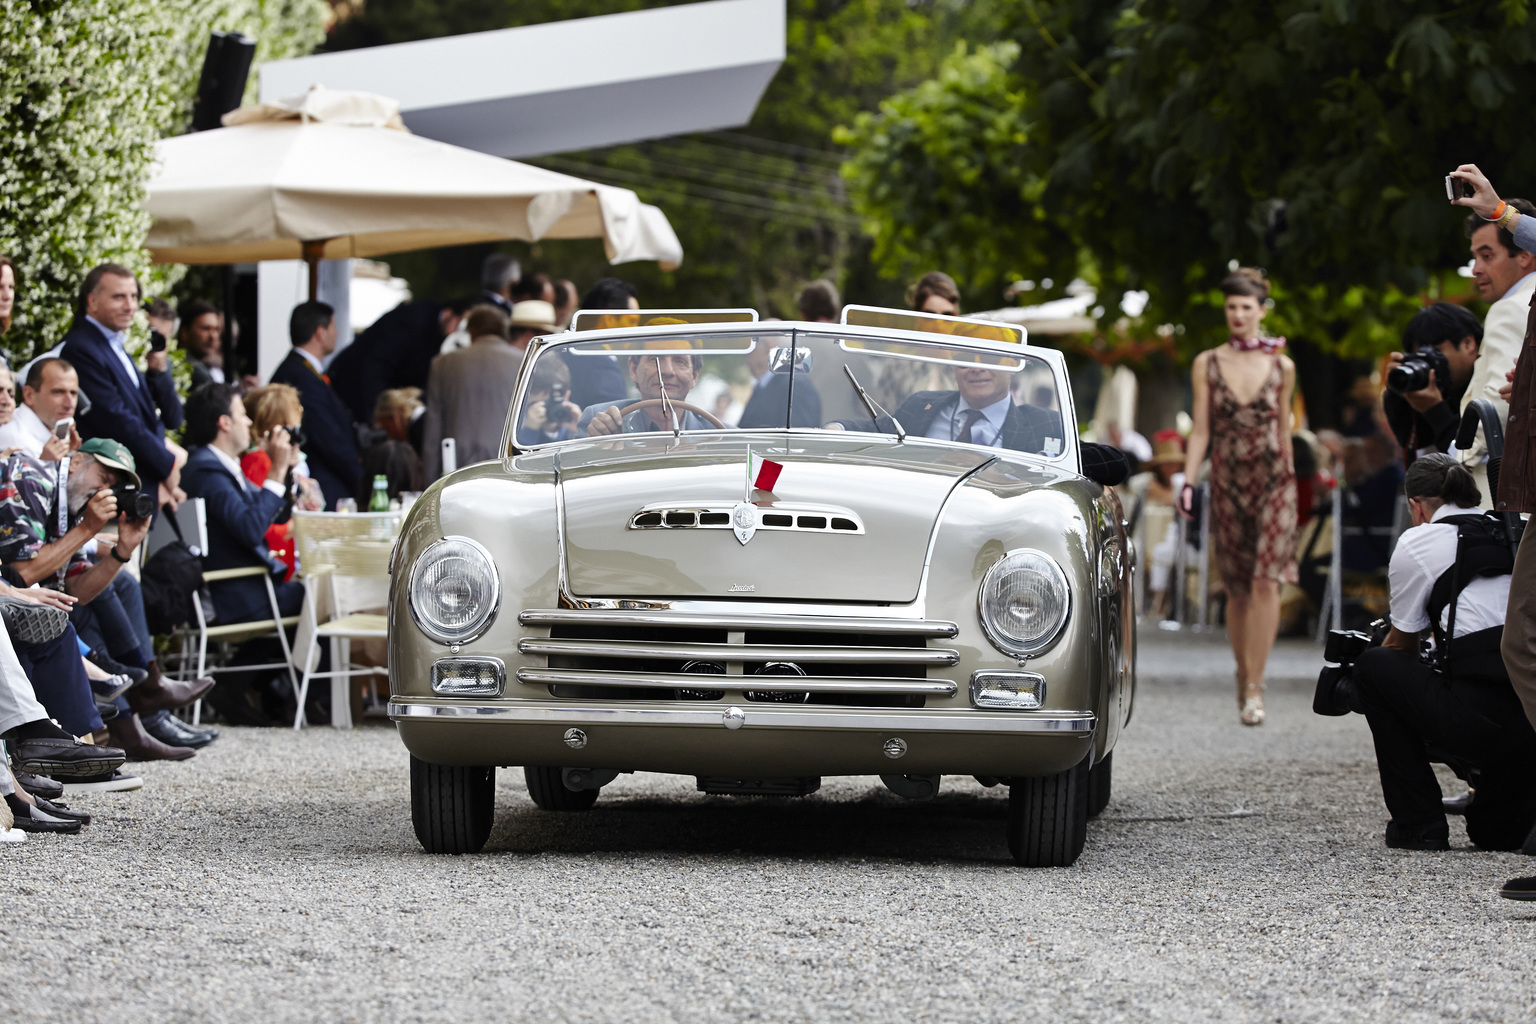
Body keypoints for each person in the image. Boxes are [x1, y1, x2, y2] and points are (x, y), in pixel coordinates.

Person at [1331, 455, 1536, 851]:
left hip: (1481, 715)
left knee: (1374, 668)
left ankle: (1418, 823)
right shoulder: (1517, 530)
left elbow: (1402, 645)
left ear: (1416, 506)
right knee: (1495, 834)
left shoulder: (1420, 540)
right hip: (1529, 717)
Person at [1450, 163, 1536, 898]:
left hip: (1515, 494)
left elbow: (1484, 425)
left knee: (1524, 640)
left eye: (1488, 251)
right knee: (1522, 640)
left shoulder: (1518, 303)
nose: (1478, 268)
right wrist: (1502, 211)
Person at [1180, 268, 1297, 726]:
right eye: (1231, 307)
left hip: (1274, 479)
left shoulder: (1282, 365)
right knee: (1238, 585)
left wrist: (1294, 486)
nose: (1237, 314)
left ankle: (1255, 687)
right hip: (1228, 477)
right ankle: (1242, 669)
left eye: (1246, 307)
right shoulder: (1207, 362)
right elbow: (1201, 431)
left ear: (1261, 311)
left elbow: (1286, 430)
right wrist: (1188, 483)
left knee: (1268, 579)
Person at [60, 264, 185, 510]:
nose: (130, 306)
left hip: (135, 492)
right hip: (110, 496)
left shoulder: (113, 344)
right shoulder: (82, 348)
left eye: (134, 297)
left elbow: (166, 417)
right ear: (92, 301)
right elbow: (116, 419)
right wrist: (166, 463)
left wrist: (159, 371)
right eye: (119, 297)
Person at [180, 383, 305, 623]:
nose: (249, 422)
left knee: (319, 595)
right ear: (225, 422)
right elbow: (250, 529)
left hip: (243, 591)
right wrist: (276, 470)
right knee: (325, 598)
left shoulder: (218, 465)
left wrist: (284, 468)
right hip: (236, 597)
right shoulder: (207, 473)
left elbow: (276, 515)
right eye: (243, 415)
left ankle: (249, 660)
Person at [267, 301, 362, 510]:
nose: (336, 334)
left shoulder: (300, 371)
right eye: (333, 328)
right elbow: (329, 438)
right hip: (322, 490)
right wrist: (361, 481)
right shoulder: (301, 376)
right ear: (320, 332)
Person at [327, 299, 469, 426]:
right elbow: (376, 366)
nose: (460, 334)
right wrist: (374, 418)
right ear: (450, 312)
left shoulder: (435, 331)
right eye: (459, 324)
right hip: (351, 391)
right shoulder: (414, 320)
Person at [1382, 303, 1485, 462]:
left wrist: (1435, 410)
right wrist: (1396, 393)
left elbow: (1469, 455)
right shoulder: (1428, 389)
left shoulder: (1491, 384)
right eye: (1418, 355)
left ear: (1468, 343)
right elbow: (1414, 441)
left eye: (1436, 352)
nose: (1427, 362)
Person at [580, 343, 715, 436]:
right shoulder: (601, 420)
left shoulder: (721, 434)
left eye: (680, 361)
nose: (667, 371)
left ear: (694, 376)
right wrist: (598, 445)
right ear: (633, 370)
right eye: (655, 359)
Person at [565, 278, 638, 409]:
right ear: (609, 318)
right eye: (632, 321)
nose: (637, 329)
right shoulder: (603, 366)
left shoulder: (565, 351)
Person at [0, 357, 80, 460]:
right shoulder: (15, 439)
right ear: (29, 395)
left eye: (73, 393)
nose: (69, 404)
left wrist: (68, 455)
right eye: (58, 392)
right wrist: (44, 464)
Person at [738, 334, 823, 429]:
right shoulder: (766, 386)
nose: (745, 355)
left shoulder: (794, 385)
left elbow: (799, 436)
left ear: (767, 348)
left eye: (750, 347)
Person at [360, 388, 426, 501]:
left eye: (387, 428)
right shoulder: (421, 423)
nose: (390, 436)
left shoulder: (421, 427)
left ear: (394, 416)